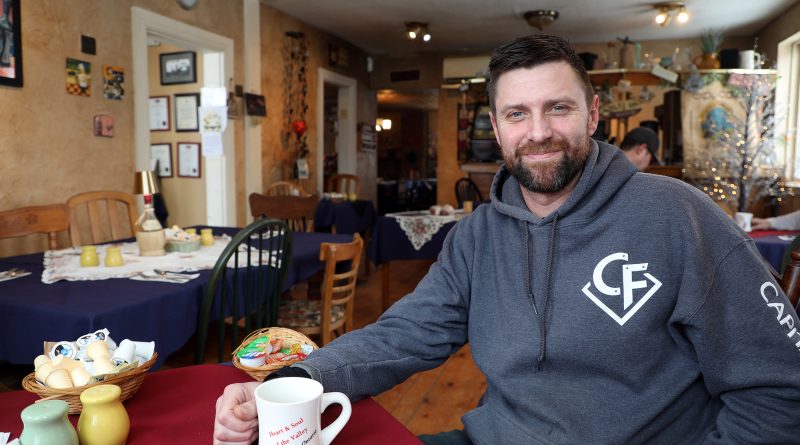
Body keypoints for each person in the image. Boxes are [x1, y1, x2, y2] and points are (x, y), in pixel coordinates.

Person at [215, 34, 800, 444]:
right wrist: (300, 378)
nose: (539, 132)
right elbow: (407, 332)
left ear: (593, 115)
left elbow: (779, 390)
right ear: (496, 128)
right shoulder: (476, 236)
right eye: (517, 114)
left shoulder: (679, 216)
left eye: (558, 108)